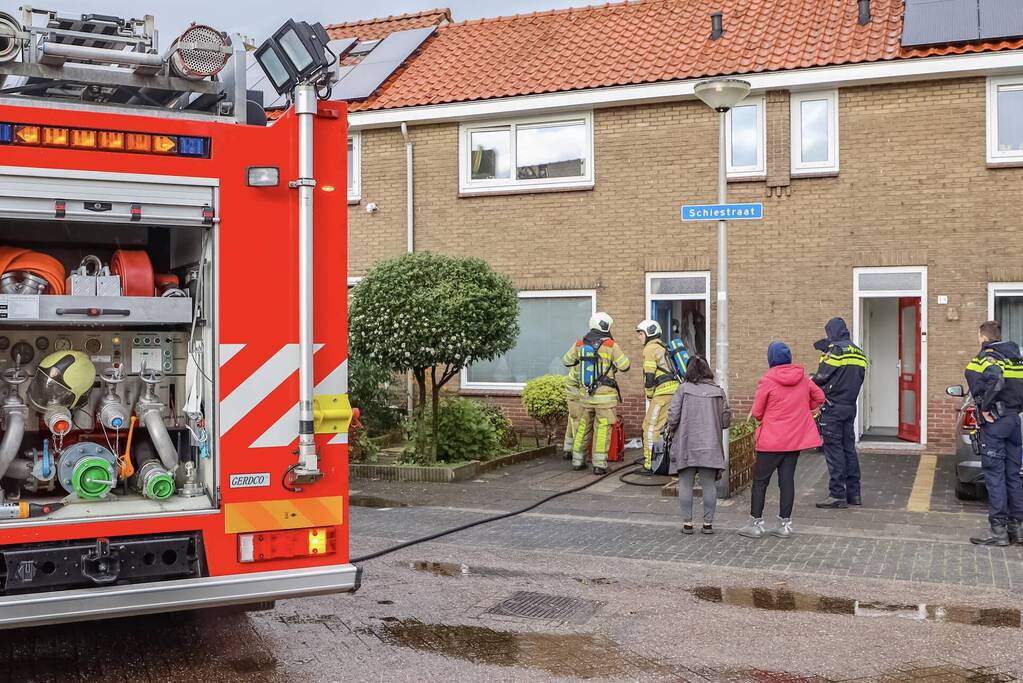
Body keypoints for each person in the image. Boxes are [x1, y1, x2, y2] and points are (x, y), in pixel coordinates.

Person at [739, 341, 825, 539]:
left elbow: (758, 412)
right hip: (794, 441)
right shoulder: (803, 378)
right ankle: (784, 525)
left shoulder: (767, 380)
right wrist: (805, 406)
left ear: (771, 358)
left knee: (760, 482)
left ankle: (756, 523)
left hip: (771, 442)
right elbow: (819, 396)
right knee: (787, 482)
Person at [965, 320, 1023, 546]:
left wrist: (987, 408)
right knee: (1013, 476)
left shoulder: (986, 357)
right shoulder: (1016, 357)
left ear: (982, 336)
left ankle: (998, 531)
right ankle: (1017, 530)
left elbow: (996, 381)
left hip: (996, 422)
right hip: (1013, 421)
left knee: (995, 476)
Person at [664, 356, 732, 534]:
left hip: (687, 443)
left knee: (685, 484)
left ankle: (688, 523)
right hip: (710, 446)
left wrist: (671, 428)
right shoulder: (718, 391)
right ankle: (708, 524)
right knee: (709, 485)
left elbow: (673, 418)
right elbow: (725, 421)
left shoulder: (682, 389)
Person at [563, 312, 630, 475]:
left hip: (585, 396)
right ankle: (599, 464)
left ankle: (578, 461)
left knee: (583, 428)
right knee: (602, 429)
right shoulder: (609, 345)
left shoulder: (580, 343)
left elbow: (566, 361)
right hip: (604, 399)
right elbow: (625, 365)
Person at [812, 317, 867, 509]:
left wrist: (822, 360)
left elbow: (822, 376)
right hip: (850, 406)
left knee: (834, 451)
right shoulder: (859, 353)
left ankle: (837, 495)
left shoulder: (836, 349)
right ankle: (854, 494)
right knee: (848, 450)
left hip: (833, 407)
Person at [635, 319, 681, 475]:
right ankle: (666, 461)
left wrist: (649, 395)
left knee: (649, 427)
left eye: (641, 334)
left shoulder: (650, 348)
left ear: (649, 333)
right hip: (674, 391)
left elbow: (649, 376)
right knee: (665, 428)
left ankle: (650, 464)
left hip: (662, 394)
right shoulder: (663, 346)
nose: (639, 337)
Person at [561, 353, 591, 461]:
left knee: (572, 420)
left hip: (573, 395)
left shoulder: (581, 362)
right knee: (578, 422)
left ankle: (567, 449)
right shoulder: (586, 365)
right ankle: (576, 452)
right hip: (575, 396)